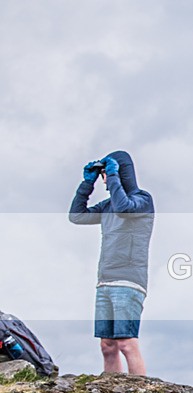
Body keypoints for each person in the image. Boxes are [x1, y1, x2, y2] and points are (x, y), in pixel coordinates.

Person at [69, 150, 155, 376]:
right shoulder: (108, 205)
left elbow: (124, 209)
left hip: (129, 281)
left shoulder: (142, 200)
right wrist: (87, 184)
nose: (106, 178)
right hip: (105, 281)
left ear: (122, 172)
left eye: (108, 173)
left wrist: (115, 176)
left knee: (126, 342)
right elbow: (77, 216)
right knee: (107, 345)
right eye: (105, 174)